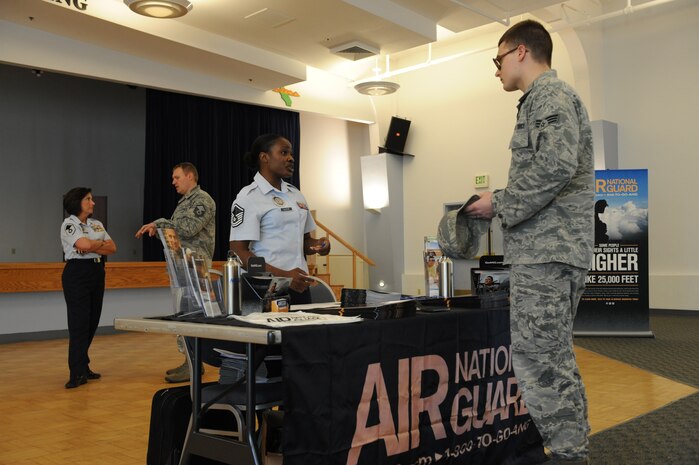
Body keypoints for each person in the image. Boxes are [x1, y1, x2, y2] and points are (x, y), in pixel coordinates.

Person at [465, 20, 594, 465]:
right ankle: (571, 449)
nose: (496, 70)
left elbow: (554, 167)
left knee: (539, 364)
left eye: (497, 60)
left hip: (548, 254)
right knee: (553, 359)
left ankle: (567, 454)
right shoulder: (540, 101)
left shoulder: (549, 98)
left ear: (520, 51)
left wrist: (496, 203)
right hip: (551, 251)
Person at [136, 162, 216, 383]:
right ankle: (190, 361)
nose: (173, 182)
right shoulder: (184, 203)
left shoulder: (202, 200)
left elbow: (188, 228)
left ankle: (195, 362)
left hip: (195, 267)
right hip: (183, 266)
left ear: (190, 176)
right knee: (184, 314)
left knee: (194, 316)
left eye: (177, 177)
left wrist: (159, 222)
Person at [230, 134, 330, 305]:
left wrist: (318, 245)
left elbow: (304, 241)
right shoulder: (248, 198)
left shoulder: (296, 195)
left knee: (306, 332)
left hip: (299, 284)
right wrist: (283, 274)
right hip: (266, 288)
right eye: (283, 153)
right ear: (264, 157)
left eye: (291, 154)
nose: (290, 158)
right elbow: (239, 253)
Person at [60, 187, 117, 389]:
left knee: (92, 321)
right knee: (79, 324)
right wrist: (94, 244)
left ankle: (83, 365)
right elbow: (82, 245)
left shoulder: (96, 224)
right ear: (78, 203)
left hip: (96, 271)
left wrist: (91, 245)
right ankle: (76, 373)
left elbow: (112, 247)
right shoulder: (69, 225)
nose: (93, 203)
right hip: (77, 273)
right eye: (88, 199)